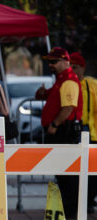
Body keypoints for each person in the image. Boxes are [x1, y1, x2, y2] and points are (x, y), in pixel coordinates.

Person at [35, 47, 82, 218]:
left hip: (64, 131)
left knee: (66, 174)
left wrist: (54, 124)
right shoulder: (61, 80)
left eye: (54, 62)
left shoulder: (69, 80)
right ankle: (68, 210)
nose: (50, 65)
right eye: (49, 62)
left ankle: (70, 212)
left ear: (65, 61)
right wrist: (42, 93)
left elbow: (68, 108)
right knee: (63, 173)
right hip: (61, 130)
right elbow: (53, 98)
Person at [70, 52, 97, 213]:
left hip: (91, 133)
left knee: (92, 171)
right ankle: (78, 202)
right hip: (75, 132)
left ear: (83, 68)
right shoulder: (69, 83)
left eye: (76, 67)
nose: (73, 70)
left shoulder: (91, 85)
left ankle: (88, 201)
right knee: (75, 170)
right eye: (71, 67)